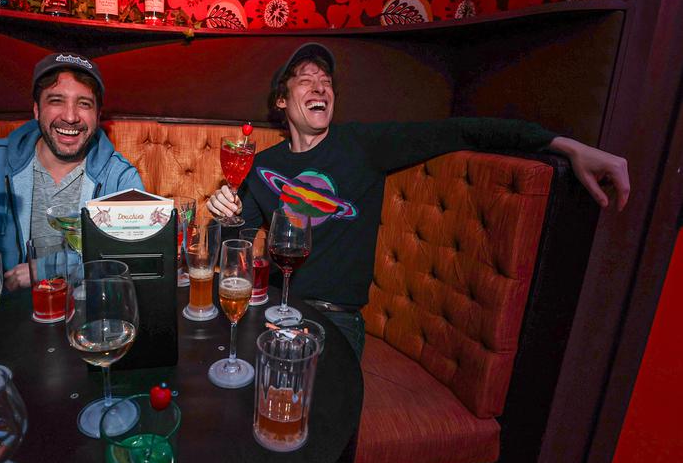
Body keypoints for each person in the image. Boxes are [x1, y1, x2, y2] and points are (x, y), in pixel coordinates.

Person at [208, 42, 629, 358]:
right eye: (306, 79)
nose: (321, 87)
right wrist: (222, 214)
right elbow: (234, 246)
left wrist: (564, 145)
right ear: (283, 101)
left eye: (327, 81)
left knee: (321, 420)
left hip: (336, 318)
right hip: (279, 308)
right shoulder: (261, 165)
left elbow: (460, 131)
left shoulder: (363, 146)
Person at [0, 52, 144, 290]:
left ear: (97, 115)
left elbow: (132, 260)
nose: (70, 116)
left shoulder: (120, 177)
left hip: (89, 311)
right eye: (56, 101)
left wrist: (48, 269)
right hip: (13, 311)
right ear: (36, 110)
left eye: (84, 104)